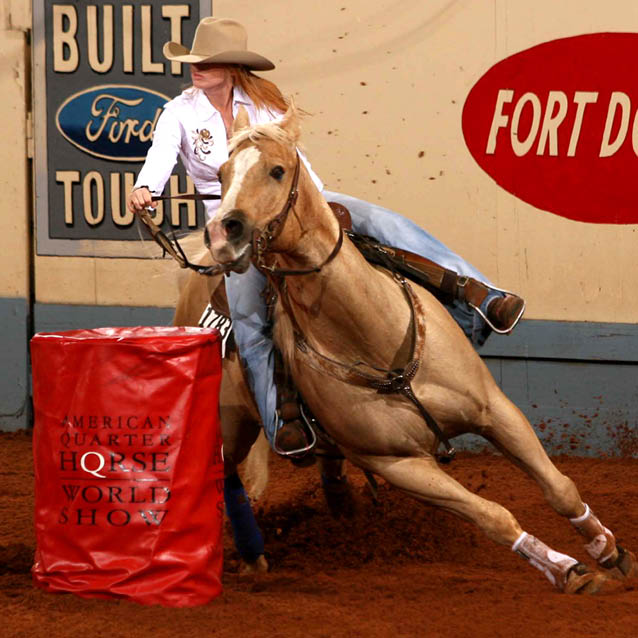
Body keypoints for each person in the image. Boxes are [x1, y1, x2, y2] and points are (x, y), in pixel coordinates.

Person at [127, 17, 525, 457]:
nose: (195, 68)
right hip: (238, 228)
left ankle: (480, 294)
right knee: (249, 323)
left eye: (207, 61)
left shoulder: (265, 104)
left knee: (387, 224)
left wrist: (317, 205)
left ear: (232, 66)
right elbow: (161, 154)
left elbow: (294, 161)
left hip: (298, 204)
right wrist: (147, 187)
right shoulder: (179, 113)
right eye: (194, 60)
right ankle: (280, 421)